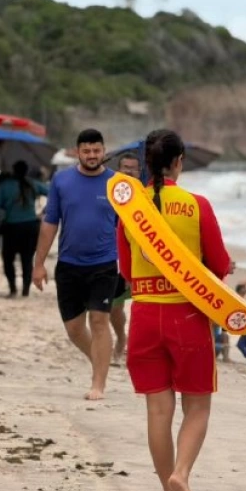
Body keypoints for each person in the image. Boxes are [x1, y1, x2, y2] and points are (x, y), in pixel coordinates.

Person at [117, 129, 232, 491]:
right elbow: (217, 266)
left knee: (157, 411)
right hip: (188, 314)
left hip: (146, 314)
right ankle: (180, 475)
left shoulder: (131, 209)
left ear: (146, 162)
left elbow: (126, 270)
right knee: (197, 406)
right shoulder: (197, 205)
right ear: (179, 161)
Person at [32, 129, 118, 401]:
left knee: (99, 320)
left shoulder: (118, 184)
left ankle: (98, 384)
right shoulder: (62, 180)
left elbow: (132, 227)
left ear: (104, 150)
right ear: (77, 151)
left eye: (97, 150)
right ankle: (100, 360)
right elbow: (50, 222)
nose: (92, 155)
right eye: (87, 151)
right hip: (68, 264)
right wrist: (39, 263)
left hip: (104, 263)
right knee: (74, 329)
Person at [0, 161, 48, 297]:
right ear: (26, 171)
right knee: (27, 260)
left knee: (8, 260)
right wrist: (45, 211)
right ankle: (25, 290)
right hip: (31, 227)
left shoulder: (5, 186)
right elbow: (53, 193)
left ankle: (13, 289)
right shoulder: (33, 184)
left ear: (13, 170)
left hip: (12, 228)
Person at [109, 152, 142, 364]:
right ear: (118, 170)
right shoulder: (111, 194)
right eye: (125, 167)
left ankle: (137, 347)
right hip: (115, 258)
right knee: (115, 306)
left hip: (142, 258)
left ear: (140, 172)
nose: (129, 171)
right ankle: (121, 337)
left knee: (143, 306)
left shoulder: (146, 195)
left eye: (133, 168)